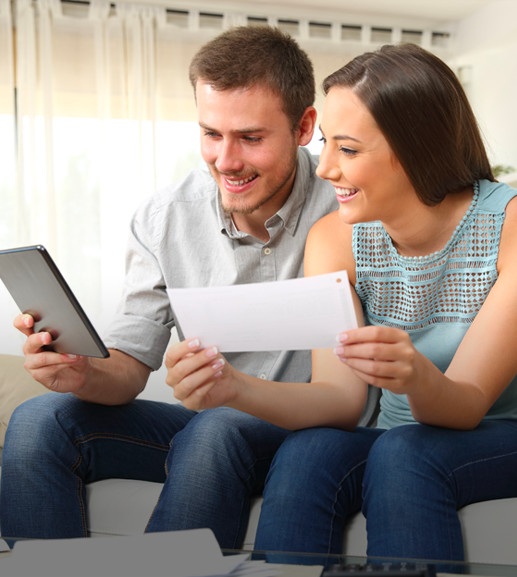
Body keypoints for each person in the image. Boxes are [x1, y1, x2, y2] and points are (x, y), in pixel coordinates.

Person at [163, 43, 517, 562]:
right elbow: (342, 399)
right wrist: (231, 385)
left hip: (496, 432)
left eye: (347, 150)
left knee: (403, 450)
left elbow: (464, 405)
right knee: (312, 450)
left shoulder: (507, 227)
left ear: (419, 148)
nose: (325, 168)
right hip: (401, 437)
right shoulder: (334, 238)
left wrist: (415, 376)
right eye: (326, 143)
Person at [0, 25, 342, 545]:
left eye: (250, 138)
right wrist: (79, 372)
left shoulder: (348, 204)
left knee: (216, 426)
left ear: (303, 127)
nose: (225, 161)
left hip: (309, 433)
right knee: (37, 420)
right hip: (212, 434)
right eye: (210, 134)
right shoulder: (164, 219)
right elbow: (127, 371)